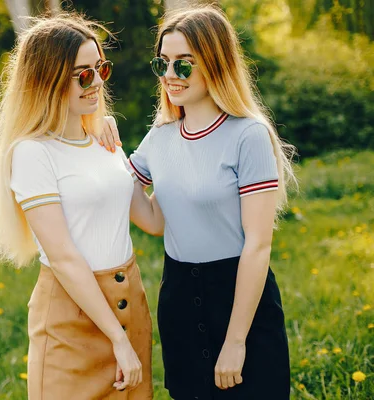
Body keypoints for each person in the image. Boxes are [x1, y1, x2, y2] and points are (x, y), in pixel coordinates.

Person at [100, 5, 296, 399]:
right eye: (164, 63)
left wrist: (236, 341)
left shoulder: (248, 135)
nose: (171, 76)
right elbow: (155, 221)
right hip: (180, 301)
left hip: (239, 299)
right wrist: (109, 144)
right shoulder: (161, 136)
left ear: (215, 63)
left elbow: (258, 245)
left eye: (184, 65)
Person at [0, 13, 163, 400]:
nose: (97, 82)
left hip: (130, 303)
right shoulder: (32, 153)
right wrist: (117, 338)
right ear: (45, 79)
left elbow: (151, 220)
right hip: (72, 317)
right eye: (83, 74)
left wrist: (173, 141)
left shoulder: (103, 139)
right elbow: (63, 257)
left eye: (100, 69)